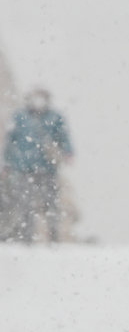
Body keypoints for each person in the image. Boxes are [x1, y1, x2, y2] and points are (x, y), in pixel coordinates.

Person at [3, 88, 73, 242]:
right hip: (23, 169)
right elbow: (9, 141)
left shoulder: (55, 117)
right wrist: (6, 163)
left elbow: (64, 136)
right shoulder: (19, 117)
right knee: (25, 207)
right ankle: (25, 239)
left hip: (47, 169)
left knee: (51, 205)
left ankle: (53, 238)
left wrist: (68, 152)